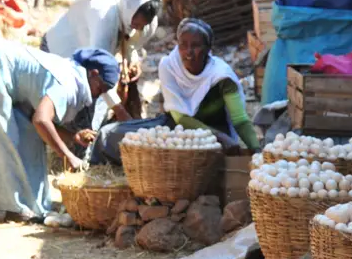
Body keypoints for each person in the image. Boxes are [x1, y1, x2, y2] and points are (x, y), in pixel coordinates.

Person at [0, 38, 119, 220]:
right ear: (93, 74)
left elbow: (31, 118)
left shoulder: (67, 71)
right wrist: (67, 156)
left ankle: (23, 204)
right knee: (4, 138)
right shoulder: (68, 84)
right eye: (100, 88)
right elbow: (41, 120)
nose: (98, 95)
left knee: (26, 133)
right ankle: (17, 206)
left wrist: (72, 136)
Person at [91, 18, 260, 166]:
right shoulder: (170, 66)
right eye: (183, 45)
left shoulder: (221, 77)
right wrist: (221, 138)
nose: (188, 52)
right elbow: (179, 116)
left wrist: (255, 150)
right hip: (176, 129)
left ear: (208, 48)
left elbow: (240, 120)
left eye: (196, 46)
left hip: (212, 137)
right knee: (109, 135)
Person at [42, 0, 162, 124]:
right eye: (135, 24)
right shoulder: (104, 16)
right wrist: (120, 111)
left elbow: (131, 43)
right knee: (66, 119)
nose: (138, 28)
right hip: (59, 55)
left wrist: (132, 61)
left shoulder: (146, 23)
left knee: (92, 118)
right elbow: (98, 73)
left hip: (90, 67)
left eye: (142, 26)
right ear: (128, 9)